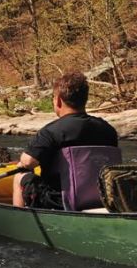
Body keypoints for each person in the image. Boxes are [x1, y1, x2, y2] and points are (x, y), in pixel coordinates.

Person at [12, 71, 119, 208]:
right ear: (84, 99)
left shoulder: (51, 131)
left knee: (20, 175)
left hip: (60, 200)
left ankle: (21, 219)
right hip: (102, 196)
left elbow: (27, 162)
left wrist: (24, 163)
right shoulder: (108, 129)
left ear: (58, 100)